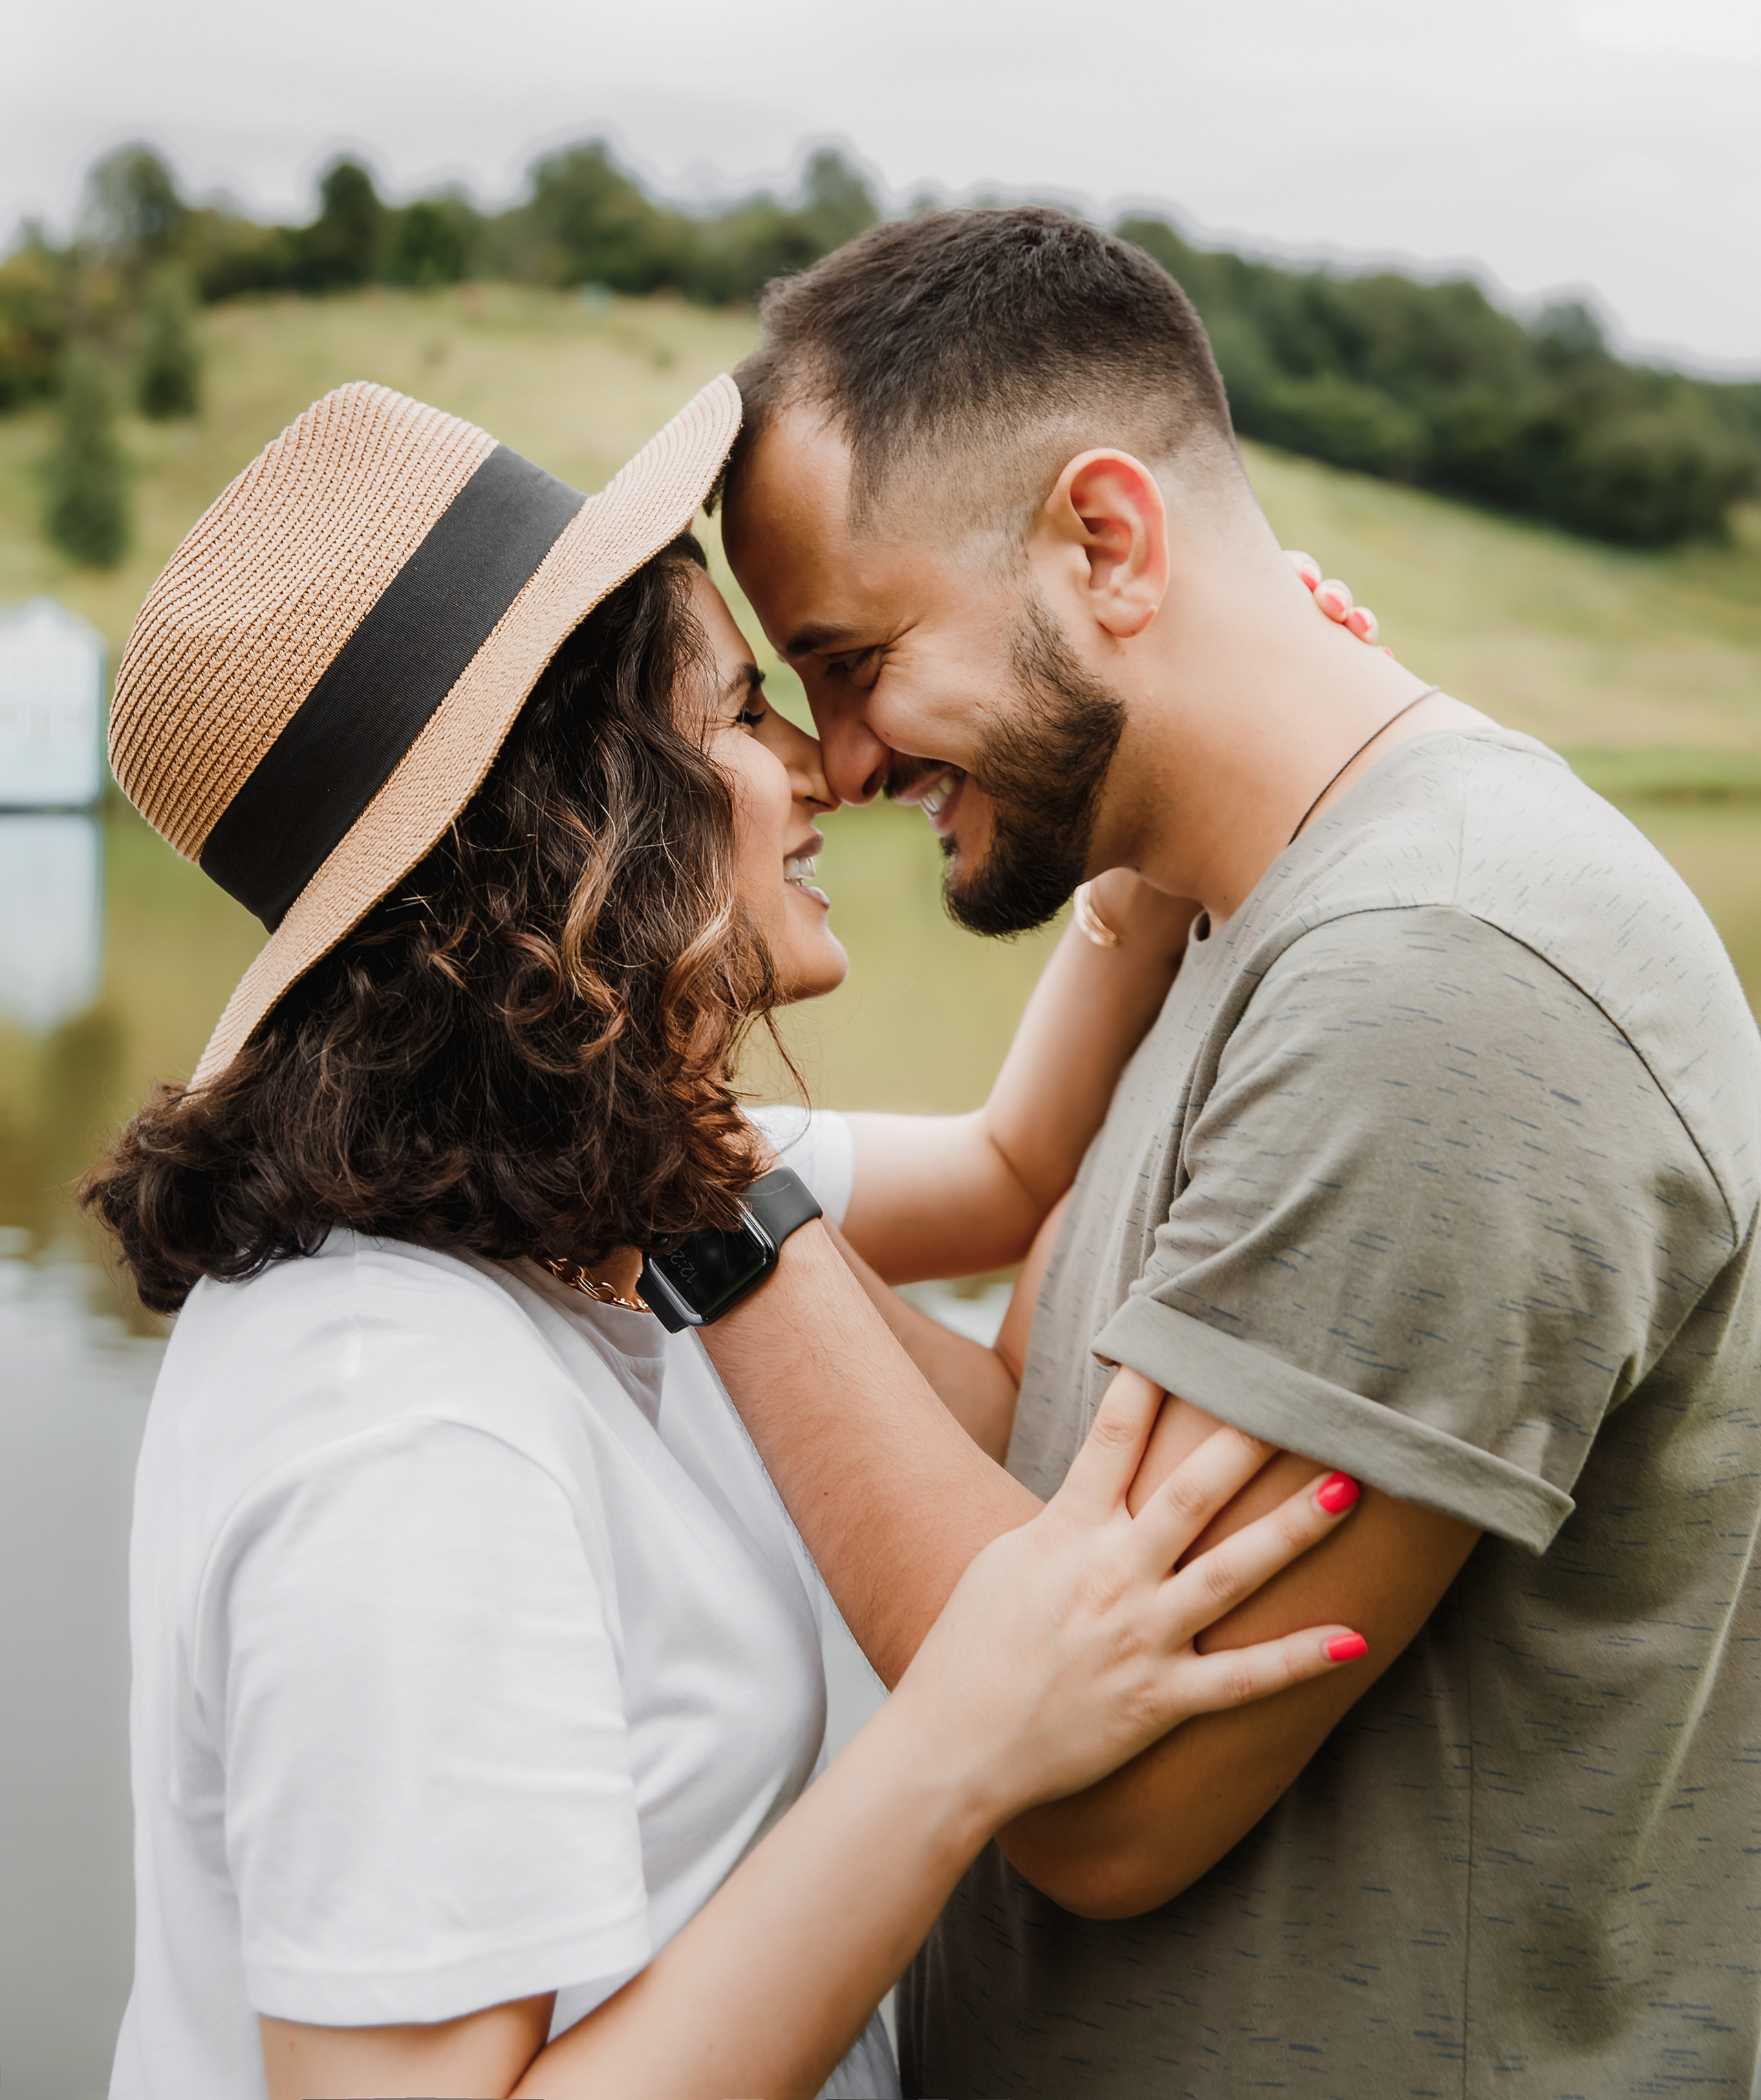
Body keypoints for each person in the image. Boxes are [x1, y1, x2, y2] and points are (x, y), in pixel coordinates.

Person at [87, 376, 1370, 2100]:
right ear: (574, 814)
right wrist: (953, 1749)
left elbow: (1008, 1172)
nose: (817, 763)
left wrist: (1168, 803)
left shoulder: (595, 1193)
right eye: (738, 709)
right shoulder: (398, 1417)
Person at [702, 206, 1761, 2094]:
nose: (840, 760)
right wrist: (676, 1169)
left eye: (855, 659)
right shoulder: (1222, 909)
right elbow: (1032, 1420)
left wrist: (691, 1204)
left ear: (1107, 544)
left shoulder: (1434, 982)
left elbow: (1106, 1805)